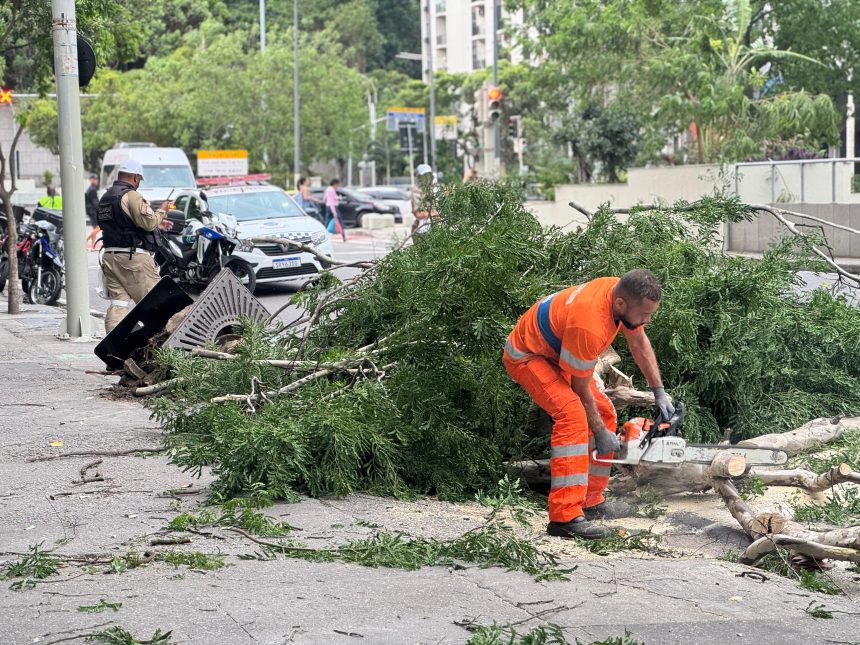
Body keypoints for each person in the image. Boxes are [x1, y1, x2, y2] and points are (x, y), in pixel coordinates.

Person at [502, 269, 674, 540]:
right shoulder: (590, 324)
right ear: (621, 304)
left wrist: (659, 390)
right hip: (529, 355)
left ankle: (590, 501)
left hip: (559, 351)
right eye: (644, 315)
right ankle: (564, 516)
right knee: (572, 416)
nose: (647, 320)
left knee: (605, 412)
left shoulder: (619, 294)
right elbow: (580, 388)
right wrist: (600, 434)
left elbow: (638, 341)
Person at [97, 159, 173, 333]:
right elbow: (149, 222)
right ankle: (162, 348)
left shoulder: (106, 197)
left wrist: (158, 226)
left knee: (118, 305)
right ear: (135, 177)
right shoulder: (131, 195)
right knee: (158, 303)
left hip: (110, 256)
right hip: (133, 258)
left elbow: (122, 224)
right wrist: (161, 211)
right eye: (139, 179)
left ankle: (114, 348)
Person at [411, 164, 436, 235]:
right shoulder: (416, 192)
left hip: (433, 227)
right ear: (419, 177)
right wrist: (433, 214)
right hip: (421, 229)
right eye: (424, 176)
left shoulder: (431, 190)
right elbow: (418, 214)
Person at [324, 178, 346, 242]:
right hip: (333, 208)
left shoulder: (328, 189)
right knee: (340, 221)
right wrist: (334, 212)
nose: (338, 186)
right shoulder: (331, 190)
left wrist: (337, 198)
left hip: (328, 207)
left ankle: (323, 236)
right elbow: (331, 202)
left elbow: (325, 199)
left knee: (327, 222)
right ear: (335, 184)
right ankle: (343, 236)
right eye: (337, 185)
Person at [85, 174, 101, 248]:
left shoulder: (90, 188)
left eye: (97, 179)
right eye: (95, 179)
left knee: (95, 227)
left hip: (90, 210)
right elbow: (95, 202)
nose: (96, 180)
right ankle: (86, 239)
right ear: (91, 180)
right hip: (93, 211)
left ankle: (93, 245)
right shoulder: (92, 189)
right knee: (100, 227)